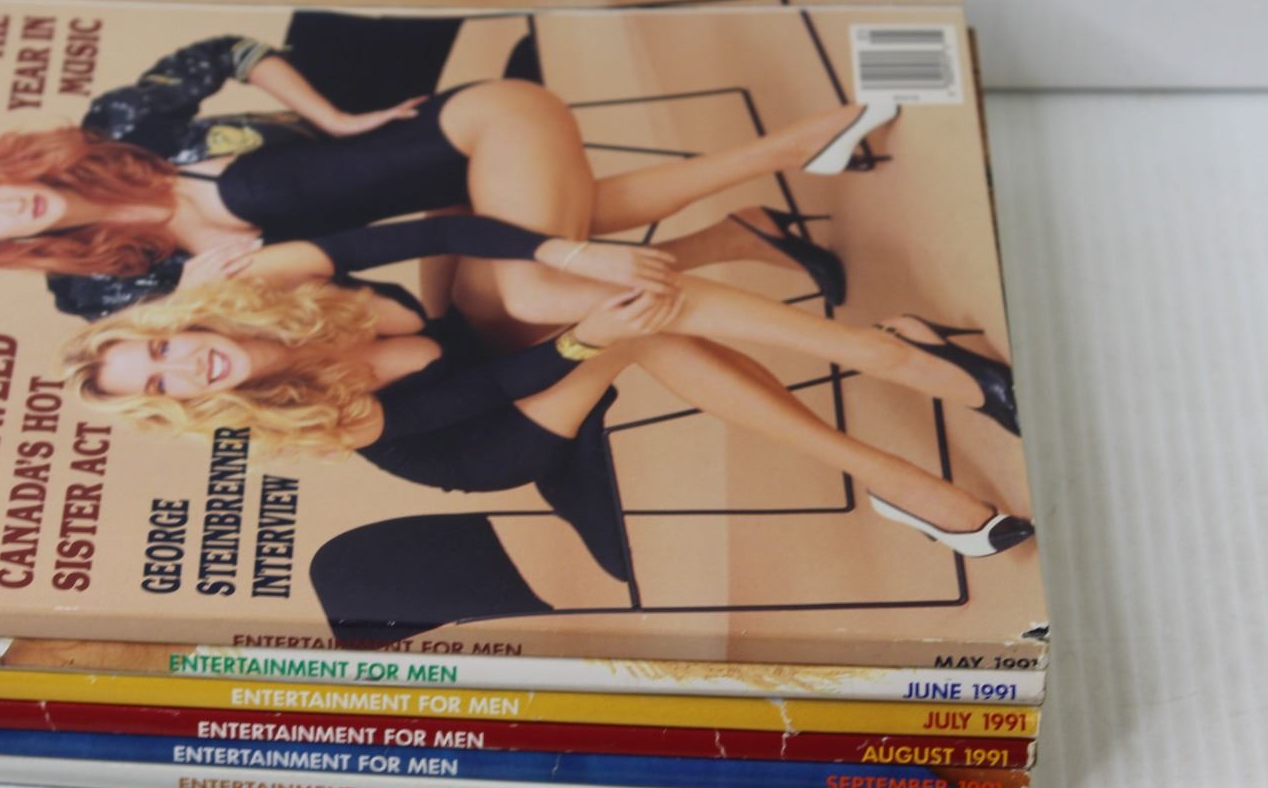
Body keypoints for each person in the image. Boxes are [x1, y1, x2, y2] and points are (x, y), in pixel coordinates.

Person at [59, 216, 1032, 561]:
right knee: (634, 334)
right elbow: (480, 397)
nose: (184, 371)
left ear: (173, 323)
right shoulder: (314, 420)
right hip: (487, 435)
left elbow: (432, 230)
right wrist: (579, 340)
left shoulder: (262, 289)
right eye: (162, 390)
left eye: (161, 349)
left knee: (557, 272)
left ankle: (892, 355)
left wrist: (569, 252)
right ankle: (894, 448)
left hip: (464, 343)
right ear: (176, 412)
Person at [0, 35, 887, 319]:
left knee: (536, 292)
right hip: (460, 204)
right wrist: (195, 293)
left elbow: (226, 53)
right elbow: (198, 334)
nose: (2, 207)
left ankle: (793, 170)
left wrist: (334, 120)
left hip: (485, 122)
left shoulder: (124, 128)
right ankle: (759, 206)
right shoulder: (99, 286)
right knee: (535, 268)